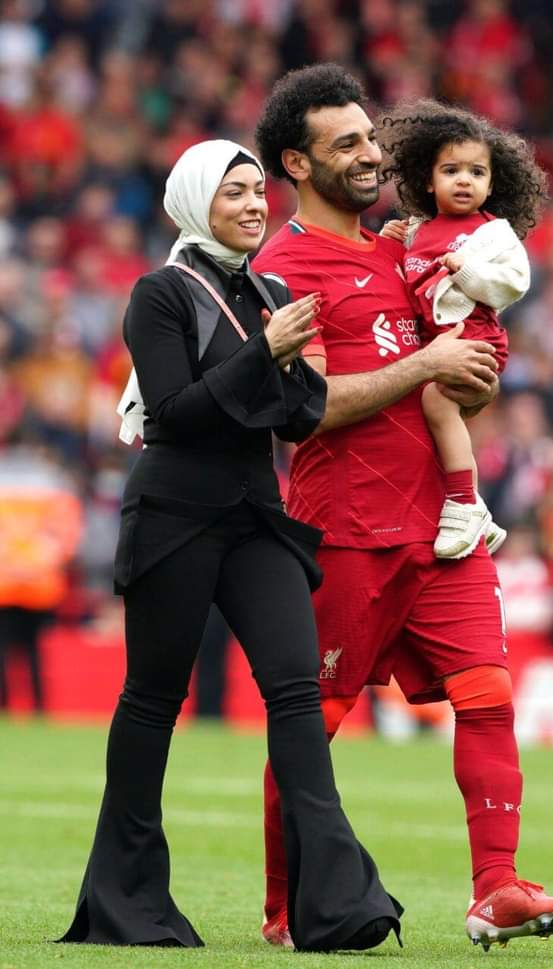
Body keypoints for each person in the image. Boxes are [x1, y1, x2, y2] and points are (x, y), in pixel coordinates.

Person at [253, 64, 553, 953]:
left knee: (489, 698)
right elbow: (311, 407)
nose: (374, 154)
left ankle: (497, 888)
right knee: (311, 722)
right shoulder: (285, 266)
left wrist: (475, 373)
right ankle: (284, 908)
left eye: (371, 138)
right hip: (347, 525)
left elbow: (451, 377)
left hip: (445, 523)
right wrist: (428, 368)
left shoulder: (408, 249)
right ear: (297, 162)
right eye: (349, 143)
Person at [57, 139, 402, 952]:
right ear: (193, 202)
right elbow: (173, 415)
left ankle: (338, 905)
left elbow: (297, 416)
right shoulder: (161, 293)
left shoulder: (272, 291)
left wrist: (309, 367)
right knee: (153, 699)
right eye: (235, 193)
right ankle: (124, 900)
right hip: (174, 512)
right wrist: (267, 353)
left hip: (255, 515)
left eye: (258, 192)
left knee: (294, 691)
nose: (254, 205)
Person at [379, 100, 546, 560]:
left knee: (435, 401)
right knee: (420, 411)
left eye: (476, 172)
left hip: (476, 341)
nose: (464, 180)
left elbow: (515, 282)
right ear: (427, 181)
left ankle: (464, 503)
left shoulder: (491, 233)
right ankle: (482, 517)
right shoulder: (419, 232)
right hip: (437, 346)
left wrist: (468, 271)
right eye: (451, 170)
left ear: (492, 183)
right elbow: (411, 285)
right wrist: (394, 246)